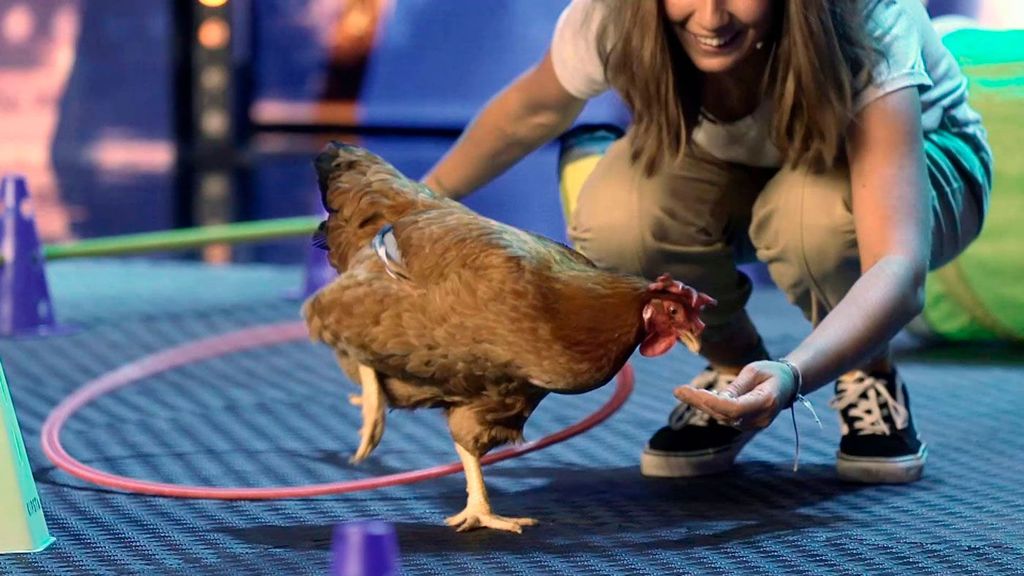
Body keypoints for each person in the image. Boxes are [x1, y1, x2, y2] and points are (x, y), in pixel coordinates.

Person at [421, 0, 992, 483]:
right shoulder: (617, 14)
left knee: (810, 218)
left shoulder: (865, 18)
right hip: (739, 164)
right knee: (619, 214)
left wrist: (793, 375)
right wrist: (416, 205)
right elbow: (531, 112)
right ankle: (734, 376)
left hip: (924, 170)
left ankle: (867, 373)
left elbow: (898, 262)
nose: (712, 17)